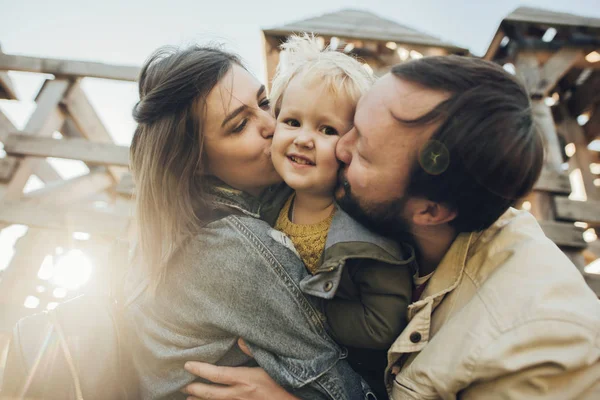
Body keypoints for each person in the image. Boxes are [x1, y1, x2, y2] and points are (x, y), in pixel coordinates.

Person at [182, 55, 600, 399]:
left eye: (361, 149)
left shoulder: (536, 348)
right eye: (352, 125)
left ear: (430, 211)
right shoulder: (389, 217)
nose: (338, 148)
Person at [124, 44, 374, 400]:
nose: (274, 125)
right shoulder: (232, 249)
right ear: (195, 162)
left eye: (265, 101)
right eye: (240, 125)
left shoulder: (172, 232)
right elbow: (349, 393)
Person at [269, 35, 414, 399]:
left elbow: (383, 323)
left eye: (327, 129)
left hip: (348, 376)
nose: (303, 139)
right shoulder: (268, 204)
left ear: (354, 145)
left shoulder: (367, 233)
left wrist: (303, 313)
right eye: (292, 121)